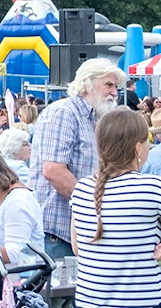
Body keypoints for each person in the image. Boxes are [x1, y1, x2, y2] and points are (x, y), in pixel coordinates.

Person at [33, 58, 123, 259]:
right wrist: (94, 207)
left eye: (116, 86)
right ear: (86, 84)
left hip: (79, 230)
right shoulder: (63, 112)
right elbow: (53, 171)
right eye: (109, 85)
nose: (115, 93)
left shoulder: (95, 118)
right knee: (60, 291)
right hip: (56, 234)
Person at [71, 109, 161, 308]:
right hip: (141, 301)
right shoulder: (153, 188)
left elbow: (77, 248)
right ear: (138, 148)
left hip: (88, 300)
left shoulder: (81, 188)